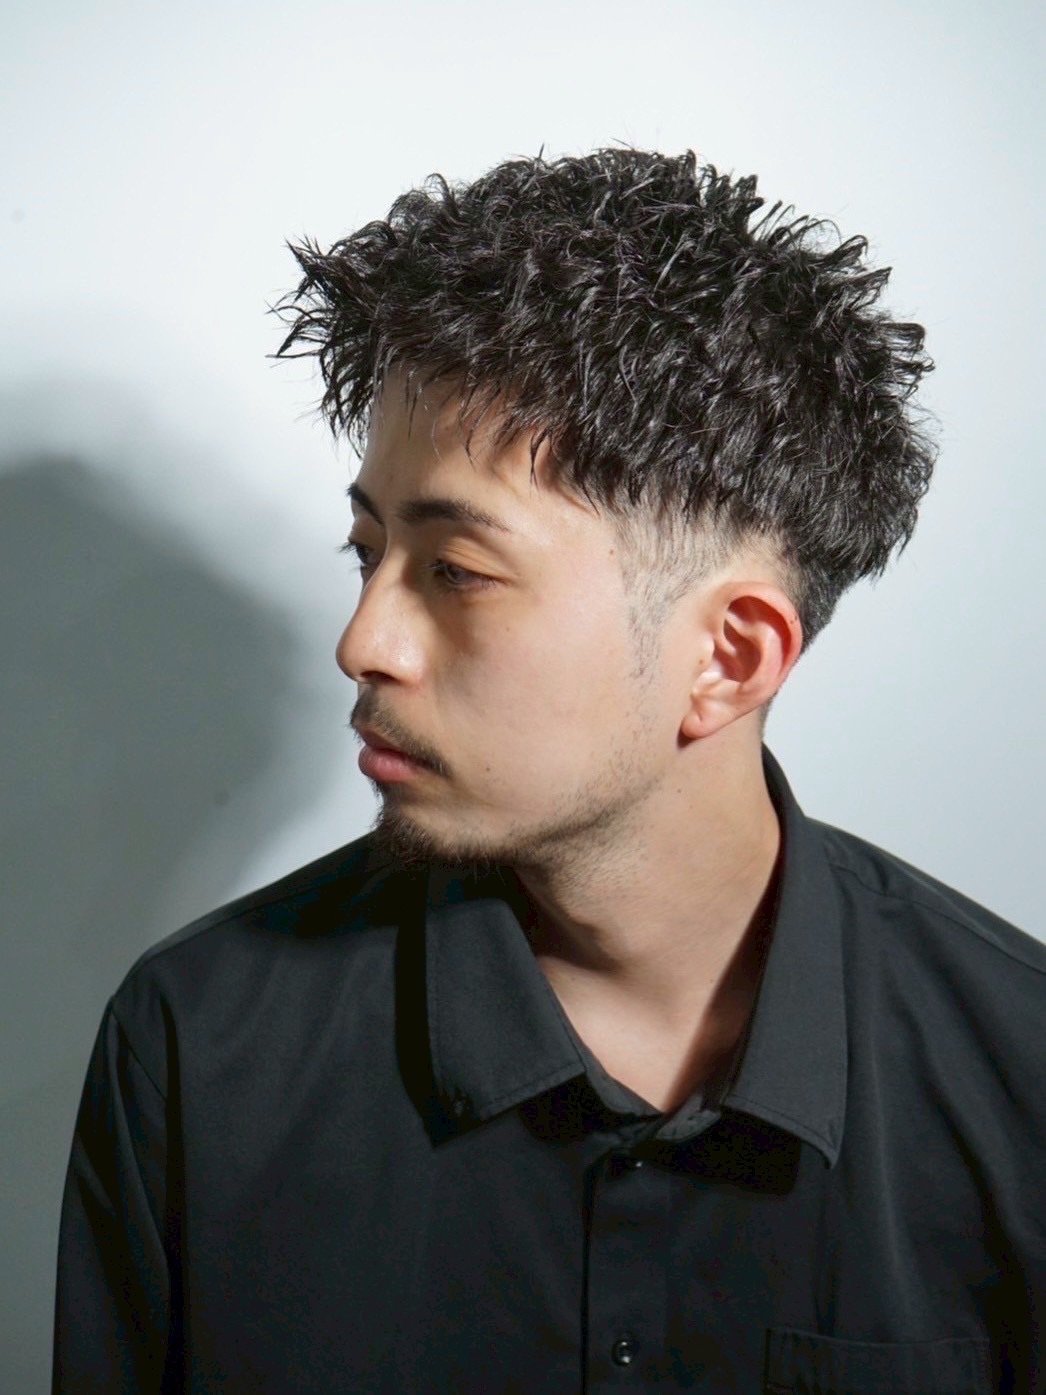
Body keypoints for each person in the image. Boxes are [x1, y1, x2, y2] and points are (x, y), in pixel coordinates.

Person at [54, 149, 1043, 1394]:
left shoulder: (1018, 1082)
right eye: (366, 551)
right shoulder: (200, 1048)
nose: (363, 642)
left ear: (728, 658)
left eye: (456, 572)